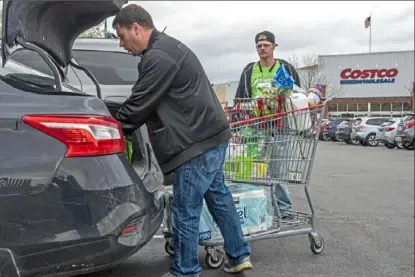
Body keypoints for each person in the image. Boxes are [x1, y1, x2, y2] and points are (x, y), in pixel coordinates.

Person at [111, 4, 252, 277]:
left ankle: (185, 271)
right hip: (212, 135)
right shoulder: (169, 48)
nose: (121, 44)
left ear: (136, 28)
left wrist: (114, 125)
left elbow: (140, 104)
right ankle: (239, 255)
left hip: (194, 143)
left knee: (186, 209)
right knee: (218, 197)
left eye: (121, 36)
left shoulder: (158, 57)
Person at [234, 31, 302, 218]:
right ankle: (255, 208)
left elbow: (297, 94)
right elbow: (240, 98)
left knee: (278, 170)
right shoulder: (249, 70)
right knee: (254, 169)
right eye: (259, 45)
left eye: (266, 45)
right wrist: (238, 126)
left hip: (281, 126)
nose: (262, 48)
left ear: (274, 47)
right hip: (256, 127)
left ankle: (283, 209)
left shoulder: (285, 68)